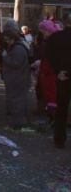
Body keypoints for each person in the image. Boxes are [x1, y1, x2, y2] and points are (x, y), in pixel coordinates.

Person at [1, 23, 32, 130]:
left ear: (12, 38)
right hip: (16, 78)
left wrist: (5, 57)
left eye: (7, 39)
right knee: (17, 100)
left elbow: (16, 63)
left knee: (16, 101)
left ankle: (18, 123)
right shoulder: (18, 46)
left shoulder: (18, 48)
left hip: (17, 78)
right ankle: (19, 121)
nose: (6, 41)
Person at [47, 11, 71, 147]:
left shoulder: (55, 38)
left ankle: (59, 139)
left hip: (63, 76)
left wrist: (57, 71)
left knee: (61, 108)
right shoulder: (55, 38)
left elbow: (49, 55)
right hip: (64, 74)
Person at [37, 18, 62, 123]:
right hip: (47, 74)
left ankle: (54, 120)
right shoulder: (48, 41)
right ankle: (53, 119)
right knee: (50, 97)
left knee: (52, 97)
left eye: (43, 31)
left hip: (51, 75)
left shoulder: (52, 43)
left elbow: (53, 60)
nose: (42, 33)